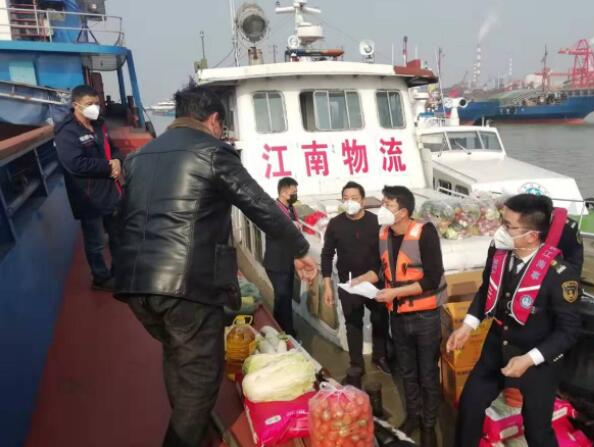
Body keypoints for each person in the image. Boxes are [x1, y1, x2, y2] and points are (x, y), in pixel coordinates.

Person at [113, 86, 317, 447]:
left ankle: (195, 426)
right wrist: (299, 248)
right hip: (185, 285)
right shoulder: (212, 152)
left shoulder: (139, 157)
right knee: (203, 376)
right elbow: (259, 204)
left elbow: (122, 217)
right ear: (213, 120)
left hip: (135, 283)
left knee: (176, 354)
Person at [448, 193, 581, 447]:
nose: (500, 230)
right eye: (502, 222)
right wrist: (468, 325)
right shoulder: (498, 253)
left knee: (537, 429)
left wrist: (529, 359)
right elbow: (487, 289)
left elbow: (569, 331)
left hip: (538, 358)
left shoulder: (560, 275)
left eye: (508, 226)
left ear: (531, 235)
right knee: (469, 407)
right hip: (496, 347)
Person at [374, 185, 446, 447]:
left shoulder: (425, 233)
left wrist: (396, 292)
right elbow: (382, 269)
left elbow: (432, 278)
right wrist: (362, 280)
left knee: (427, 374)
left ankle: (429, 425)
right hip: (398, 316)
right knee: (406, 371)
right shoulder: (384, 233)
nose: (382, 208)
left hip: (425, 317)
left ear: (403, 212)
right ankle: (413, 416)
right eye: (383, 203)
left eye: (388, 204)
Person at [54, 84, 122, 290]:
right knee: (96, 241)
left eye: (97, 103)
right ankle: (100, 278)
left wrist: (117, 160)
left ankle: (119, 272)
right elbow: (75, 164)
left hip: (110, 191)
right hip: (88, 196)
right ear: (76, 105)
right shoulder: (67, 132)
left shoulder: (99, 125)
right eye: (89, 103)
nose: (95, 107)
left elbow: (112, 148)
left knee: (117, 235)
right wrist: (108, 166)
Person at [322, 181, 391, 376]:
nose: (349, 202)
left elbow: (386, 254)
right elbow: (327, 254)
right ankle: (356, 363)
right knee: (352, 323)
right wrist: (327, 285)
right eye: (345, 198)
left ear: (363, 200)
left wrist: (376, 275)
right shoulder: (335, 224)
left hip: (374, 282)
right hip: (349, 284)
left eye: (354, 198)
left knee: (380, 318)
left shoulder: (376, 222)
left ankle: (380, 357)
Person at [263, 176, 303, 337]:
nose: (296, 194)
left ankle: (278, 329)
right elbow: (275, 230)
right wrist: (290, 227)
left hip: (287, 262)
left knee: (282, 299)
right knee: (283, 299)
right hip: (276, 263)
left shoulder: (291, 209)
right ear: (284, 192)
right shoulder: (274, 210)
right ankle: (288, 333)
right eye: (294, 192)